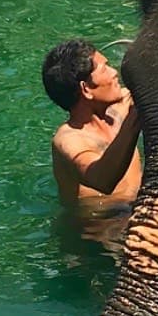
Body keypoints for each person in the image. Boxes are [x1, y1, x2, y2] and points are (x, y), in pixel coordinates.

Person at [42, 38, 142, 202]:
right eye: (104, 69)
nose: (114, 72)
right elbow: (102, 180)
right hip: (102, 224)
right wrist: (136, 116)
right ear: (86, 89)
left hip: (140, 207)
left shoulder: (120, 109)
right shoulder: (68, 140)